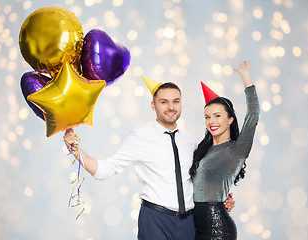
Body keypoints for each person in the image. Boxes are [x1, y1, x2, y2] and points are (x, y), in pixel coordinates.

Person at [63, 76, 235, 240]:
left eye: (176, 101)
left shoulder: (189, 140)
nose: (171, 107)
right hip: (155, 219)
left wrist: (220, 198)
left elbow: (198, 179)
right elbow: (104, 170)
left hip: (188, 222)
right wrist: (75, 149)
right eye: (164, 102)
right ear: (153, 105)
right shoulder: (139, 138)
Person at [189, 61, 260, 240]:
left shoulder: (236, 150)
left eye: (217, 116)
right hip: (193, 224)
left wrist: (246, 78)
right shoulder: (202, 150)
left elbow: (253, 114)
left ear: (230, 119)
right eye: (207, 117)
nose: (211, 121)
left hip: (217, 228)